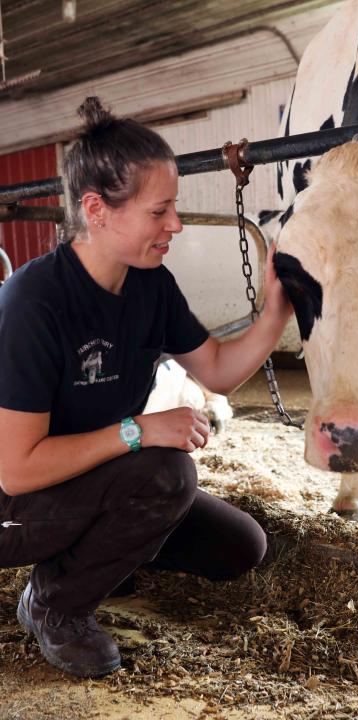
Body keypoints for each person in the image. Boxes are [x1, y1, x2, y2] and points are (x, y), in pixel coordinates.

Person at [0, 97, 293, 678]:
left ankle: (91, 557)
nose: (176, 225)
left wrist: (274, 317)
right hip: (15, 502)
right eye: (160, 211)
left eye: (174, 208)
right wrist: (139, 430)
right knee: (167, 473)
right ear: (97, 210)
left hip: (88, 483)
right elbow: (17, 469)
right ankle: (54, 605)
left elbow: (214, 368)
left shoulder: (150, 286)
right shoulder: (34, 303)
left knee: (239, 548)